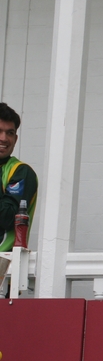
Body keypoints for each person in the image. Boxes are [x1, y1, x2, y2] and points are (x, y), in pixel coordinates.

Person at [0, 103, 37, 252]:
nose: (4, 138)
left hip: (5, 268)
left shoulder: (21, 171)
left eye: (9, 133)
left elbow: (8, 217)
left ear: (15, 138)